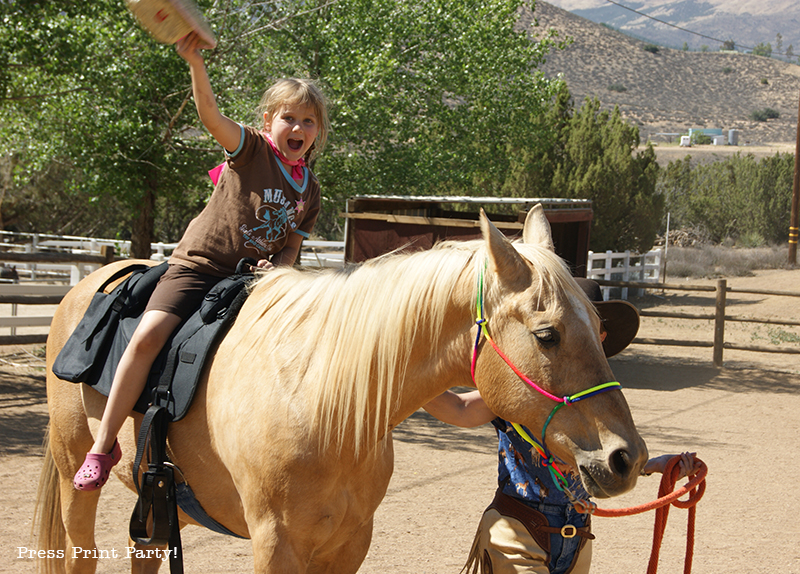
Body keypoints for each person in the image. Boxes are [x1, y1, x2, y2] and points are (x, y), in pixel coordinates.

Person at [73, 32, 329, 491]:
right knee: (150, 334)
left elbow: (292, 243)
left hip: (252, 282)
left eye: (308, 121)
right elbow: (209, 114)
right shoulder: (250, 148)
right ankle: (104, 444)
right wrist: (195, 63)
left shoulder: (309, 189)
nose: (298, 127)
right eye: (288, 117)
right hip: (201, 265)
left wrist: (282, 267)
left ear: (317, 132)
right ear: (269, 120)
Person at [423, 278, 700, 574]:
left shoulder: (599, 398)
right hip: (520, 528)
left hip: (577, 534)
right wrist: (405, 380)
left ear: (602, 335)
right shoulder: (522, 388)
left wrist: (654, 464)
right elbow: (461, 409)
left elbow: (603, 454)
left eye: (594, 327)